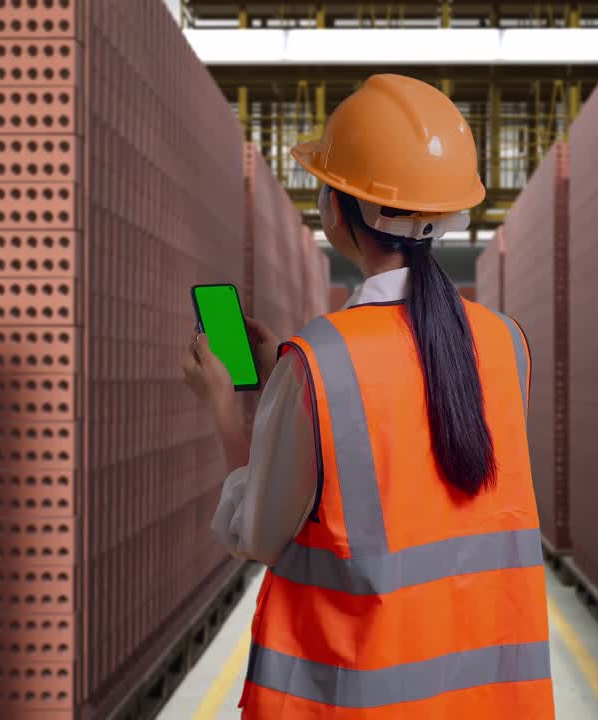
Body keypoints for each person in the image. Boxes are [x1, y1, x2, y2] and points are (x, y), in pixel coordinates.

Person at [182, 73, 554, 719]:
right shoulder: (505, 343)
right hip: (487, 698)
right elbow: (419, 459)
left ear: (336, 206)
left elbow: (258, 533)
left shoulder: (321, 361)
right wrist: (288, 390)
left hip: (355, 697)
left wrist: (225, 400)